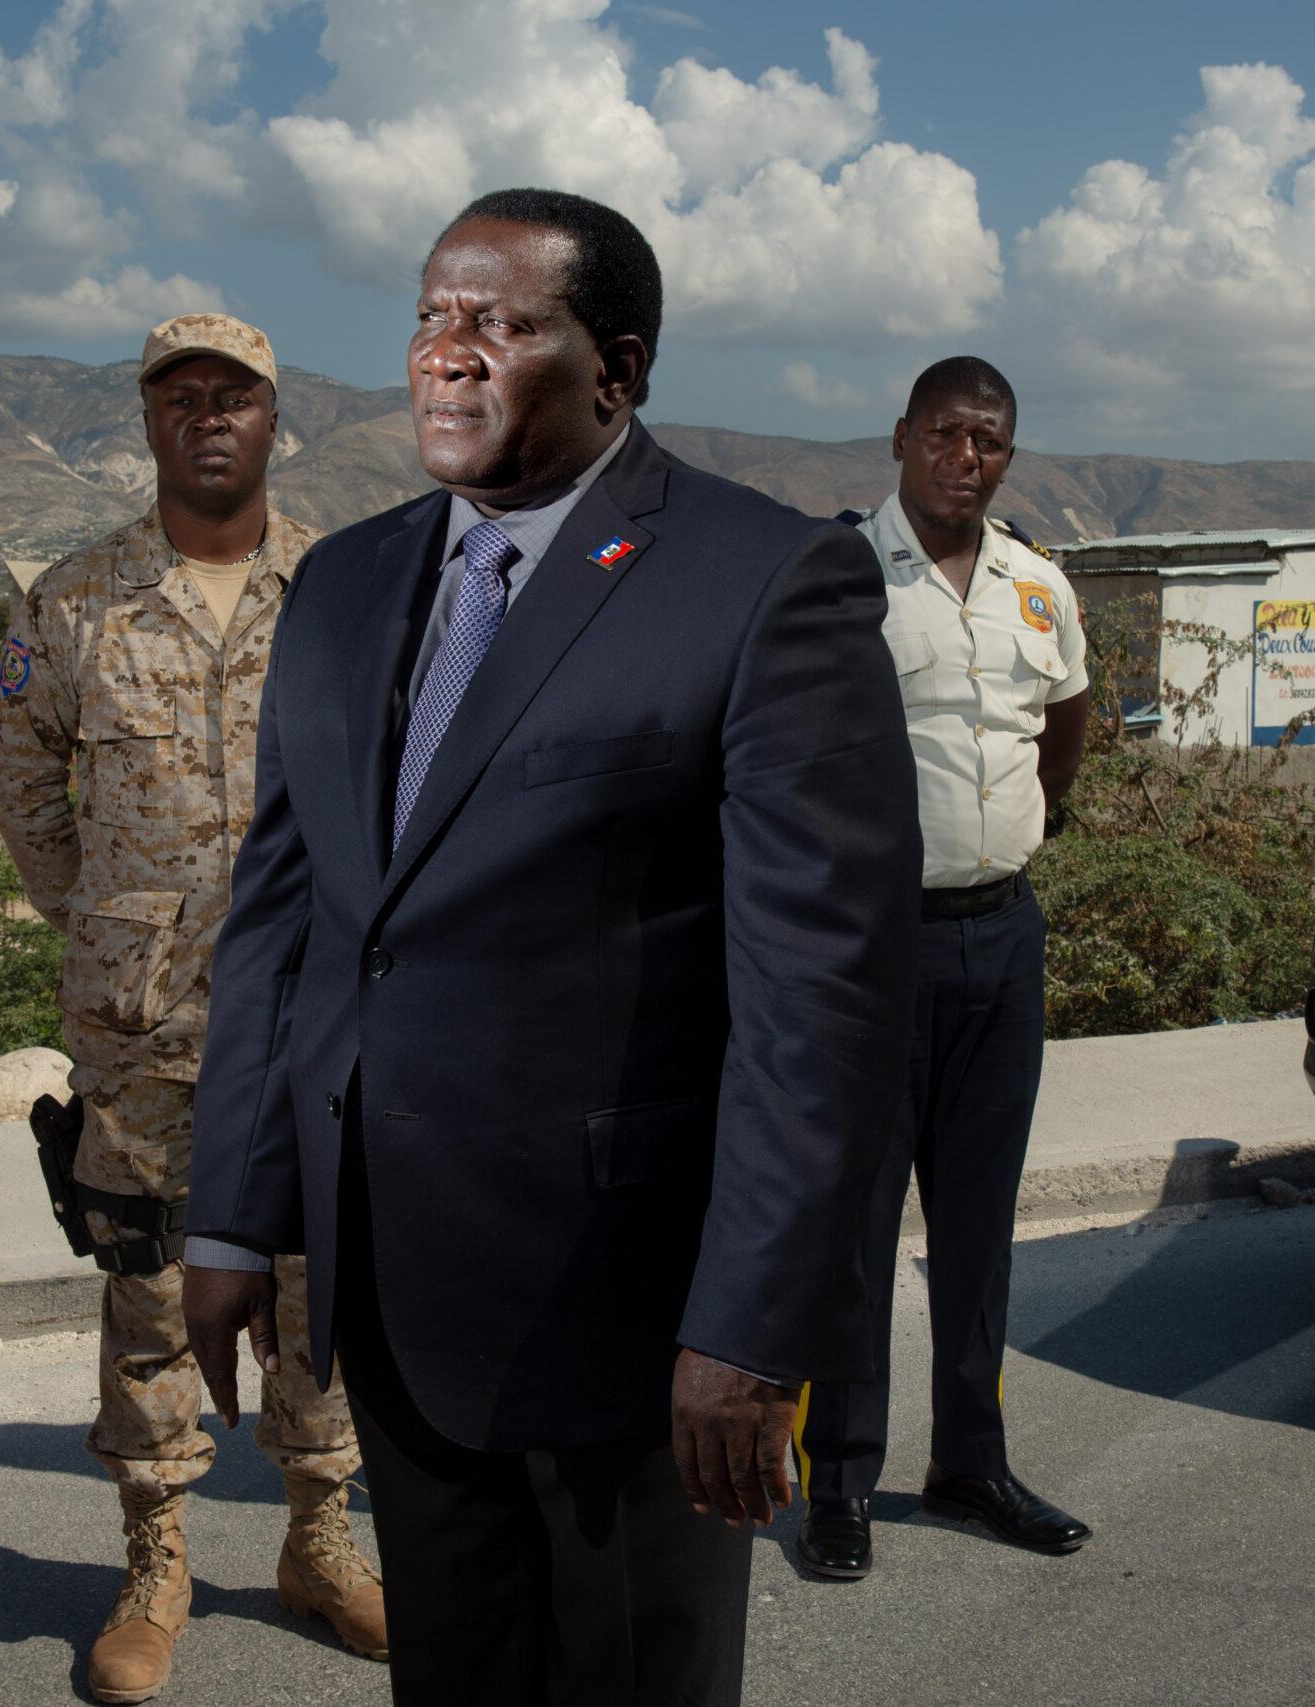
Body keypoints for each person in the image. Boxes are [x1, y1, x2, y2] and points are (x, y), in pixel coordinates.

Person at [182, 189, 920, 1707]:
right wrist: (232, 1217)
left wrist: (750, 1325)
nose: (450, 356)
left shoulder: (765, 580)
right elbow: (288, 922)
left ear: (617, 369)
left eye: (504, 324)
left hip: (634, 1328)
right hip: (398, 1297)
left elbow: (822, 996)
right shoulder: (342, 585)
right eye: (431, 318)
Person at [0, 312, 387, 1705]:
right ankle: (156, 1562)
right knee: (149, 1283)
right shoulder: (76, 599)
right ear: (149, 422)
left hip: (318, 1008)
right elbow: (23, 779)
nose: (209, 415)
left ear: (276, 418)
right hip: (144, 1022)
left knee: (318, 1279)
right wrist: (109, 918)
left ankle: (320, 1541)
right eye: (181, 396)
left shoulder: (347, 589)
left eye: (236, 396)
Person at [792, 356, 1096, 1583]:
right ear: (902, 439)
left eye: (987, 442)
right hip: (877, 947)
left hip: (1001, 940)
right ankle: (838, 1480)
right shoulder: (841, 574)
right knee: (855, 1227)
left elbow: (1066, 722)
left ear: (1005, 458)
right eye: (946, 435)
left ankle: (970, 1459)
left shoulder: (1039, 584)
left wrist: (1033, 822)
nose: (965, 458)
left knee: (979, 1226)